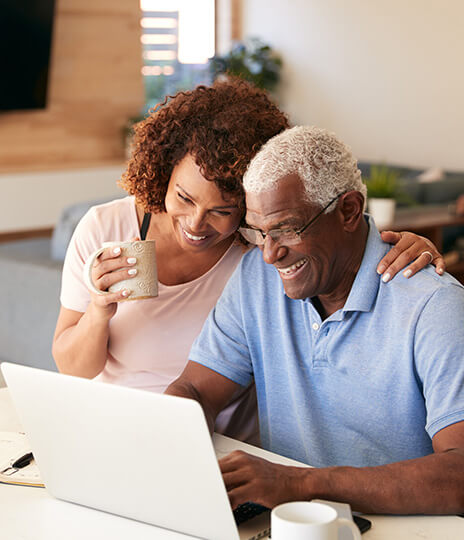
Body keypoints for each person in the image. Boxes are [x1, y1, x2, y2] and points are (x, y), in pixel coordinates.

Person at [52, 79, 443, 444]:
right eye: (184, 198)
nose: (196, 224)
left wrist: (401, 245)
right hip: (114, 432)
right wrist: (99, 310)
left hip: (223, 449)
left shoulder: (258, 252)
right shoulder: (105, 227)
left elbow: (337, 243)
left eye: (222, 210)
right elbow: (73, 369)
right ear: (163, 171)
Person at [166, 125, 464, 515]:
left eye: (287, 229)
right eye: (258, 232)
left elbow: (459, 473)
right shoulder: (257, 276)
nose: (270, 254)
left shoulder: (434, 305)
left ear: (349, 211)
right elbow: (195, 389)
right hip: (288, 521)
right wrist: (168, 453)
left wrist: (301, 485)